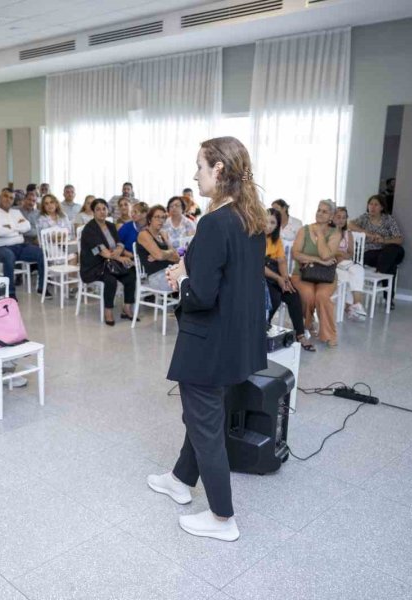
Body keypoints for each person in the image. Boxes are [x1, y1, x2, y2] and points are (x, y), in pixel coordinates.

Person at [148, 136, 267, 543]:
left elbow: (202, 295)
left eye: (199, 166)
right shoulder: (252, 218)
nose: (194, 175)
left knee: (204, 424)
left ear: (218, 169)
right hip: (236, 339)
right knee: (201, 416)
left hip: (209, 340)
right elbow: (235, 282)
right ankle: (181, 479)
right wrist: (189, 270)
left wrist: (181, 279)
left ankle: (222, 517)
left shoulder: (215, 222)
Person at [79, 198, 137, 325]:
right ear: (93, 212)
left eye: (104, 209)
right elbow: (102, 252)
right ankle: (108, 311)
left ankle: (126, 308)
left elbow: (119, 243)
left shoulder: (110, 225)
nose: (102, 212)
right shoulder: (89, 229)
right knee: (110, 280)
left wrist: (120, 249)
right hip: (94, 266)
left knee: (131, 275)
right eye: (98, 209)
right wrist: (120, 258)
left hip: (110, 263)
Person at [291, 200, 341, 347]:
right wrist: (317, 260)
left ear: (331, 216)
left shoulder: (335, 233)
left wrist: (319, 234)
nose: (320, 213)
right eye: (319, 210)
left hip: (326, 276)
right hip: (302, 273)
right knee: (308, 295)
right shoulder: (304, 230)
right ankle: (307, 324)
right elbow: (296, 254)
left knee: (322, 296)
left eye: (325, 211)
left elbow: (326, 255)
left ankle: (328, 334)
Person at [264, 208, 313, 351]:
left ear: (277, 226)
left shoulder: (276, 240)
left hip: (276, 273)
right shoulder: (255, 237)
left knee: (293, 294)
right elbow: (258, 265)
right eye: (266, 221)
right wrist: (278, 278)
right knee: (275, 297)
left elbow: (281, 261)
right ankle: (263, 329)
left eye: (272, 223)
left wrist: (285, 278)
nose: (268, 225)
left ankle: (300, 334)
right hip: (261, 276)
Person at [0, 189, 47, 298]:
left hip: (20, 246)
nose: (8, 199)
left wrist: (9, 228)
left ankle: (42, 287)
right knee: (9, 256)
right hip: (1, 248)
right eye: (5, 196)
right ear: (0, 197)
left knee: (41, 253)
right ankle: (10, 293)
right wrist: (17, 230)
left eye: (11, 198)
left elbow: (27, 226)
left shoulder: (16, 212)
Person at [348, 194, 405, 305]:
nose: (372, 207)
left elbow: (399, 239)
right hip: (369, 253)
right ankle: (389, 299)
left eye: (376, 205)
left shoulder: (388, 219)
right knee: (391, 264)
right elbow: (350, 224)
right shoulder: (365, 218)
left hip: (386, 251)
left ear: (382, 207)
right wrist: (368, 234)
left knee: (393, 249)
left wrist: (383, 240)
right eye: (370, 204)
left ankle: (380, 270)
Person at [332, 207, 367, 321]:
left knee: (358, 270)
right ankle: (351, 307)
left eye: (344, 217)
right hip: (333, 265)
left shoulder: (348, 233)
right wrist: (340, 253)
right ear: (332, 217)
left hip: (346, 264)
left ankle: (355, 305)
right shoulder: (328, 232)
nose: (341, 220)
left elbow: (351, 253)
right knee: (350, 276)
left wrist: (340, 253)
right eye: (338, 217)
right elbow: (328, 251)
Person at [135, 205, 178, 292]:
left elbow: (176, 257)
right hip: (156, 277)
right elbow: (160, 255)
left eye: (163, 217)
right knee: (190, 282)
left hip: (170, 271)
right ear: (150, 219)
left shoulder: (163, 235)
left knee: (193, 278)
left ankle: (184, 304)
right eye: (157, 217)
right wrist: (165, 254)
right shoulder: (144, 234)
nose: (160, 220)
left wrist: (161, 254)